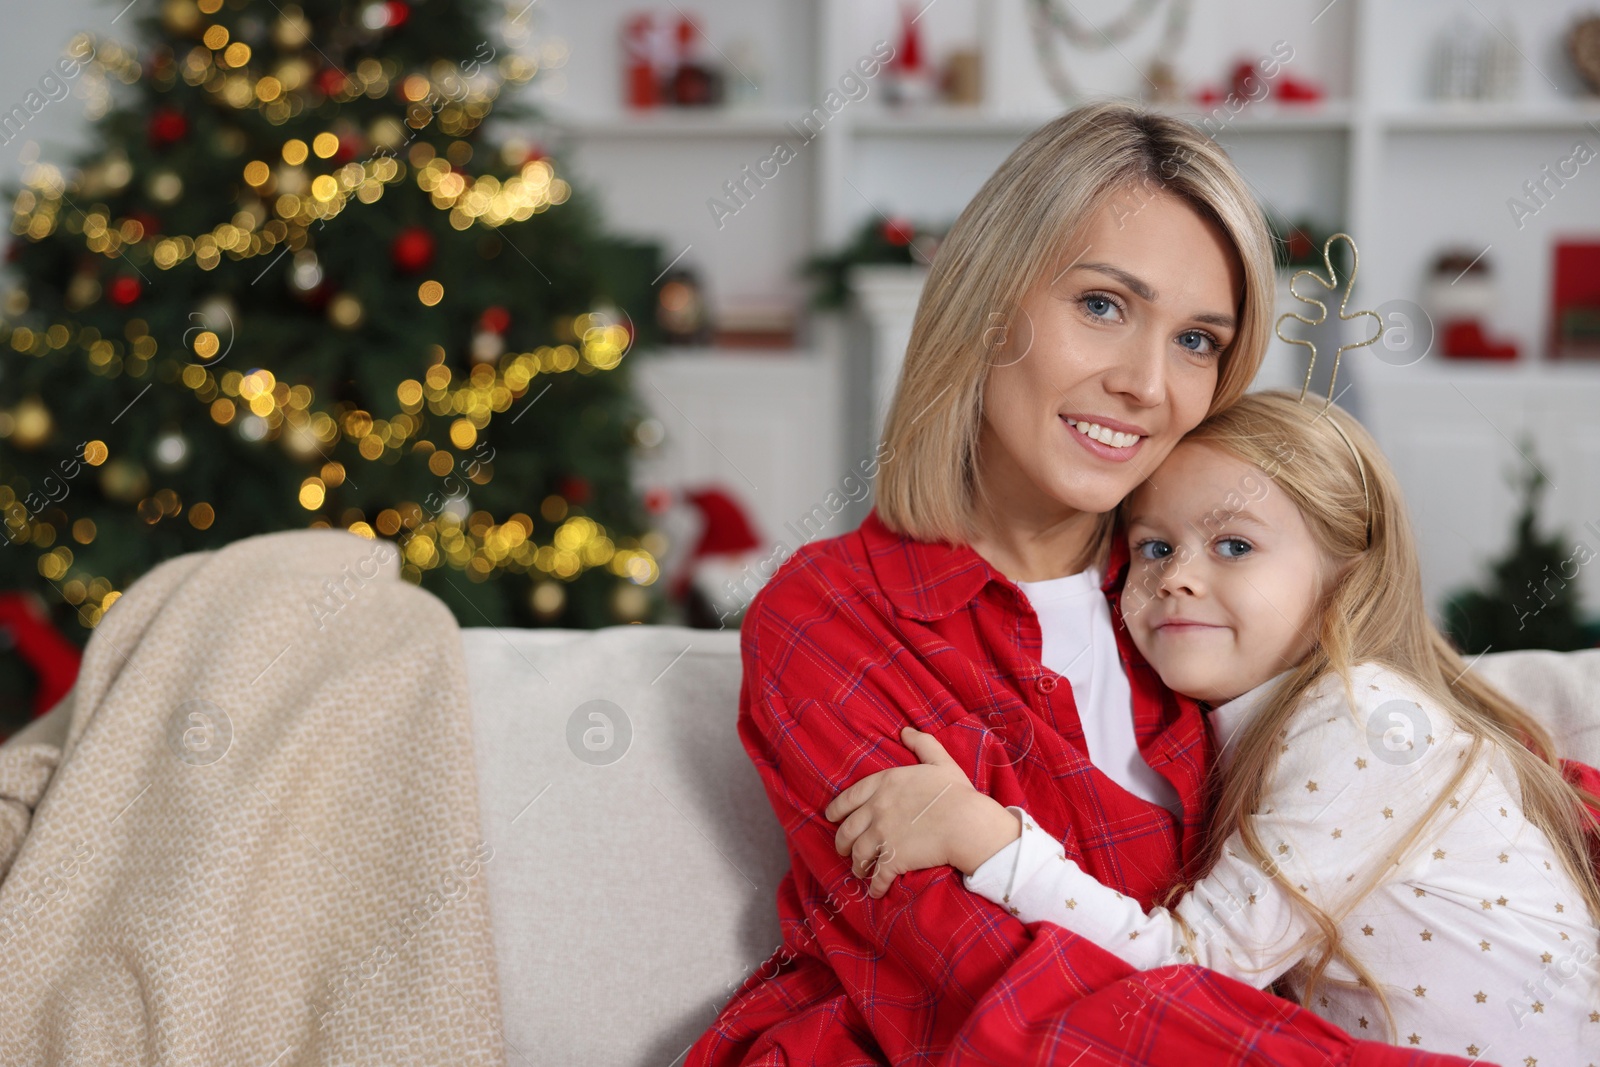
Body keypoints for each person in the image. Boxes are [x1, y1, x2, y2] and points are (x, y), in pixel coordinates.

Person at [684, 100, 1488, 1064]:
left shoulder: (1204, 599)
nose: (1148, 384)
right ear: (987, 310)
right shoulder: (833, 620)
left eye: (1198, 340)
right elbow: (1004, 998)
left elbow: (1449, 764)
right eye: (1104, 306)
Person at [826, 390, 1600, 1063]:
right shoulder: (1234, 733)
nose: (1178, 575)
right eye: (1154, 546)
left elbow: (1196, 971)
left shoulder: (1360, 718)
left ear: (1347, 576)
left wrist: (987, 840)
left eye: (1234, 545)